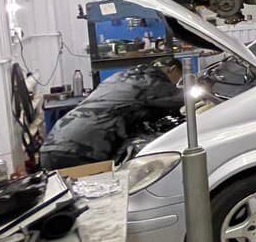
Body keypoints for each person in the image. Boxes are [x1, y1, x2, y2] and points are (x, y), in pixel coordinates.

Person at [40, 58, 183, 171]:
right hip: (82, 150)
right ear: (172, 70)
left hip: (54, 144)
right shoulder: (153, 81)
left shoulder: (122, 76)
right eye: (178, 79)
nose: (175, 84)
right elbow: (182, 99)